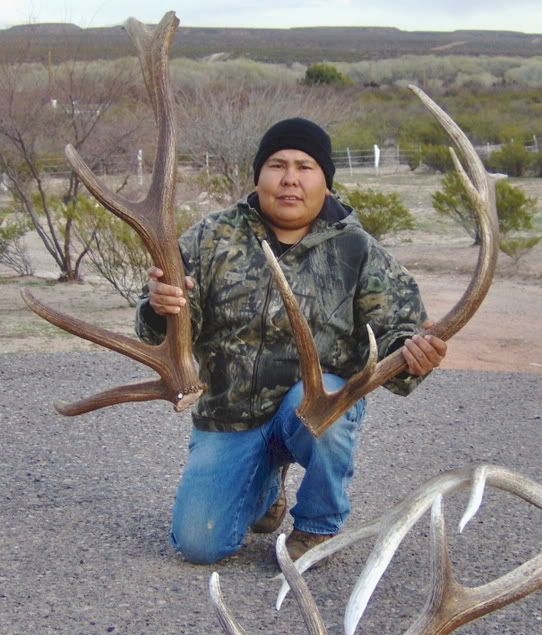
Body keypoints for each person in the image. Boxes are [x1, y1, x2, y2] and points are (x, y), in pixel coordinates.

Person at [136, 117, 446, 565]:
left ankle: (317, 527)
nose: (289, 179)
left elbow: (399, 328)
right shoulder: (210, 238)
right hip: (231, 415)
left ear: (325, 180)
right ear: (259, 174)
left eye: (305, 166)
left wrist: (413, 354)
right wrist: (160, 307)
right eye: (277, 165)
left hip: (315, 409)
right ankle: (266, 489)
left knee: (327, 402)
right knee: (199, 545)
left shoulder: (359, 251)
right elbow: (158, 328)